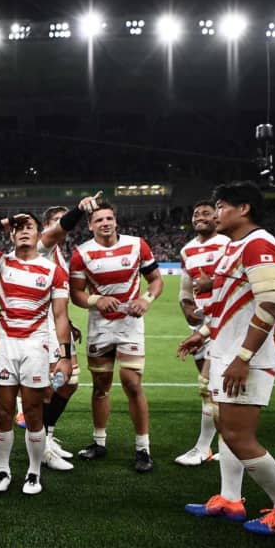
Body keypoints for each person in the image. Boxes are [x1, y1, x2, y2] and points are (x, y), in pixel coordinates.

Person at [180, 181, 275, 535]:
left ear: (244, 208)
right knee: (226, 428)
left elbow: (270, 304)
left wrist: (243, 357)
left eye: (221, 206)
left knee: (239, 436)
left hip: (246, 358)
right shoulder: (234, 248)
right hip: (225, 352)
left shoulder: (259, 244)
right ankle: (230, 498)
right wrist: (202, 335)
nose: (215, 213)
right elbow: (224, 308)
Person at [0, 212, 71, 496]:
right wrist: (4, 222)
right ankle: (3, 470)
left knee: (35, 413)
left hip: (36, 347)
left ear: (40, 235)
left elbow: (61, 316)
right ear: (12, 235)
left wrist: (65, 356)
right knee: (2, 412)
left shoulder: (53, 271)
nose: (25, 231)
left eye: (30, 227)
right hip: (4, 346)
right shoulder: (0, 262)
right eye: (20, 228)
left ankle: (34, 472)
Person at [69, 201, 163, 473]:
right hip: (100, 325)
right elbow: (77, 293)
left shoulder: (137, 245)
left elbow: (156, 280)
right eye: (99, 220)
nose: (105, 223)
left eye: (109, 218)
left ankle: (143, 448)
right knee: (100, 385)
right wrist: (97, 299)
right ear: (90, 225)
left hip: (130, 324)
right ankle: (99, 442)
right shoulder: (81, 254)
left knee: (132, 382)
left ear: (116, 221)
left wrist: (145, 299)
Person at [35, 194, 101, 470]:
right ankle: (41, 448)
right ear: (46, 226)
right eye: (56, 221)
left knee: (69, 383)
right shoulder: (42, 247)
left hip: (57, 327)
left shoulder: (59, 253)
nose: (62, 226)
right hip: (42, 330)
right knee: (51, 388)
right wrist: (79, 209)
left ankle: (47, 436)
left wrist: (69, 324)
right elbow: (62, 226)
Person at [174, 200, 229, 466]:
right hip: (200, 325)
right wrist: (186, 307)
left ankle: (205, 447)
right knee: (211, 389)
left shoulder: (229, 244)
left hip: (224, 323)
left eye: (206, 213)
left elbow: (239, 280)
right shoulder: (188, 249)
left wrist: (214, 282)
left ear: (217, 217)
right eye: (196, 214)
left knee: (211, 387)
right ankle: (223, 446)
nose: (200, 217)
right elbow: (186, 288)